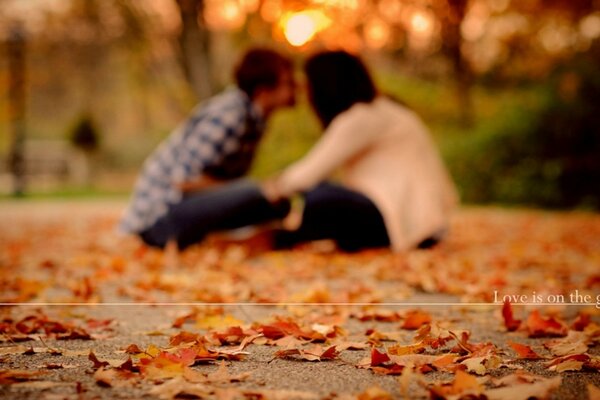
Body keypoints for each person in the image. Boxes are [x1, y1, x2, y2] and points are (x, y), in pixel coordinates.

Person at [266, 50, 458, 252]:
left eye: (309, 88)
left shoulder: (361, 116)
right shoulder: (382, 109)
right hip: (421, 221)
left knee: (320, 198)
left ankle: (286, 236)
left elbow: (308, 174)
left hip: (402, 222)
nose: (308, 97)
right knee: (322, 196)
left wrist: (270, 190)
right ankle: (302, 233)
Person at [119, 47, 296, 250]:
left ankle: (229, 240)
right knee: (258, 192)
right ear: (263, 90)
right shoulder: (229, 115)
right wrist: (250, 188)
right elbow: (183, 180)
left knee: (278, 202)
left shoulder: (255, 120)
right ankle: (226, 240)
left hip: (182, 210)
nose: (295, 89)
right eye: (288, 83)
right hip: (159, 219)